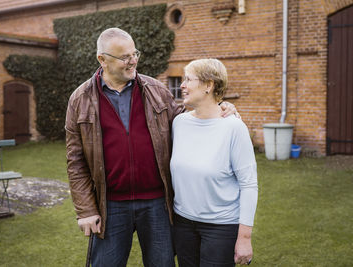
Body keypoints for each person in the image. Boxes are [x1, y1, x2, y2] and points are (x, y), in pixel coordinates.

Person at [65, 28, 237, 267]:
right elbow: (76, 161)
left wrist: (220, 108)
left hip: (157, 203)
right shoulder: (80, 99)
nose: (133, 60)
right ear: (102, 60)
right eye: (124, 56)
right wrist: (85, 210)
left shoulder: (156, 90)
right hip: (110, 205)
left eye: (134, 53)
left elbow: (187, 121)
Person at [170, 58, 258, 267]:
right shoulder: (179, 123)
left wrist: (244, 238)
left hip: (220, 227)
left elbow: (248, 184)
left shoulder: (233, 128)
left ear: (209, 85)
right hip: (182, 224)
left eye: (188, 79)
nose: (182, 85)